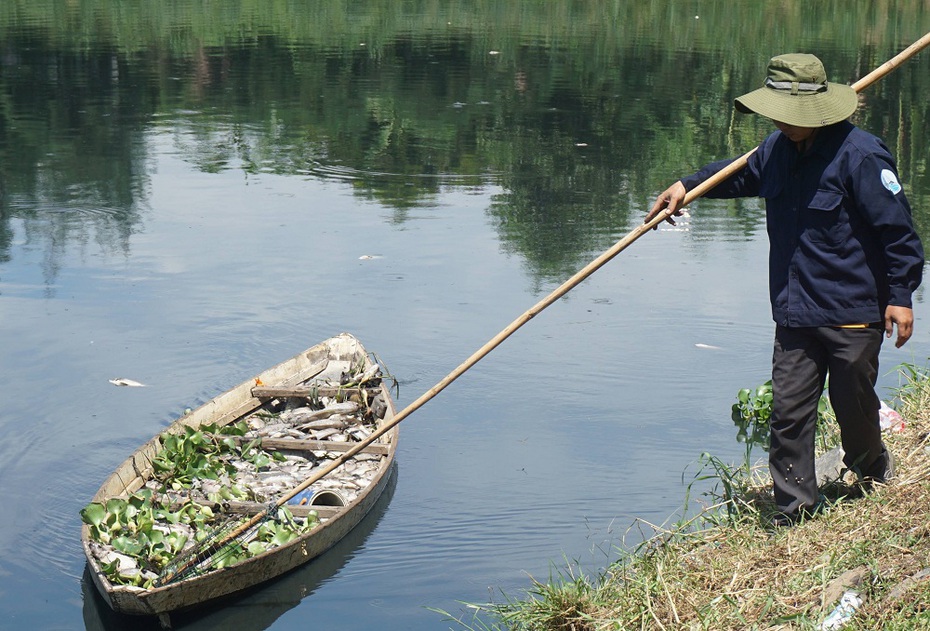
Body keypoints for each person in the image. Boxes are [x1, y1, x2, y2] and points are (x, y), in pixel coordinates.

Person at [646, 53, 924, 527]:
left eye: (791, 114)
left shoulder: (861, 155)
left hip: (852, 309)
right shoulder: (775, 149)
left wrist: (900, 296)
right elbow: (737, 174)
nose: (782, 122)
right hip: (795, 311)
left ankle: (870, 465)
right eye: (777, 112)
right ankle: (794, 509)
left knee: (853, 402)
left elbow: (899, 234)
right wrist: (686, 186)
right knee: (789, 410)